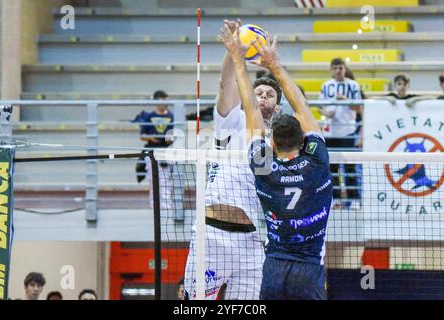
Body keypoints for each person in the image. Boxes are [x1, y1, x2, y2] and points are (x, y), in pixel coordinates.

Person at [222, 26, 332, 300]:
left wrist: (238, 59)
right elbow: (301, 107)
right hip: (309, 269)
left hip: (274, 268)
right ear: (305, 139)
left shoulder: (263, 166)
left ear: (272, 144)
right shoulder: (318, 161)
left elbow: (251, 109)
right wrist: (275, 65)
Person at [183, 19, 281, 300]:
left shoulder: (280, 138)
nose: (262, 97)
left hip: (251, 241)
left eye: (269, 94)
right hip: (212, 235)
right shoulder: (234, 121)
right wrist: (232, 51)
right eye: (258, 92)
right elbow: (227, 84)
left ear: (278, 105)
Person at [317, 58, 362, 209]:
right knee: (332, 168)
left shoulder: (353, 85)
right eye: (335, 68)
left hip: (348, 131)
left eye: (340, 68)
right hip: (331, 133)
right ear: (331, 70)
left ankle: (354, 198)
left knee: (350, 167)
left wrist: (345, 100)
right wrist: (327, 113)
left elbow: (358, 108)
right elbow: (319, 107)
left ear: (345, 69)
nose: (338, 70)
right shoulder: (326, 86)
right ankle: (335, 198)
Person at [133, 90, 174, 209]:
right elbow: (142, 135)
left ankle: (167, 205)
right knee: (153, 181)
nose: (166, 103)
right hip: (152, 152)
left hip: (167, 152)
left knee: (167, 180)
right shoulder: (149, 116)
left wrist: (170, 138)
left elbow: (176, 133)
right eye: (164, 100)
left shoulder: (172, 116)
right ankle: (154, 205)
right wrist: (152, 138)